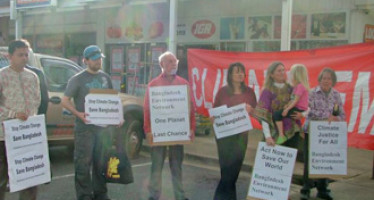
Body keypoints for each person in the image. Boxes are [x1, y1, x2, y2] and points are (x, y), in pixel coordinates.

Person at [61, 45, 113, 200]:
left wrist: (118, 117)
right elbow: (65, 101)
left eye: (99, 59)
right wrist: (78, 114)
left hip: (103, 129)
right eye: (95, 59)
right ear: (86, 60)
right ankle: (84, 195)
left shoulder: (105, 78)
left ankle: (101, 193)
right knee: (83, 164)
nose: (98, 62)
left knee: (101, 162)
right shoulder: (77, 79)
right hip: (84, 129)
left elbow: (112, 100)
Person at [143, 51, 195, 200]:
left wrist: (191, 128)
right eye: (169, 62)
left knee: (177, 166)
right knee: (156, 166)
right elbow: (147, 109)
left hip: (178, 132)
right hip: (159, 133)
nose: (173, 64)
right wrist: (148, 131)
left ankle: (180, 196)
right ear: (161, 65)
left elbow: (191, 108)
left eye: (175, 62)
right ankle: (154, 195)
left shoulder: (184, 84)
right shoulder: (153, 85)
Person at [0, 39, 41, 200]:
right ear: (9, 56)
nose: (24, 58)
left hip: (28, 135)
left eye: (26, 55)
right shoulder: (2, 76)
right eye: (20, 55)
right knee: (2, 177)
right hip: (4, 136)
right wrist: (13, 114)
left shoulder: (32, 77)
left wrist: (32, 120)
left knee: (30, 177)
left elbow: (37, 101)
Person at [212, 62, 257, 200]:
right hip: (224, 137)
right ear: (230, 75)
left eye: (242, 71)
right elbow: (215, 112)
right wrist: (213, 118)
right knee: (226, 171)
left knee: (234, 170)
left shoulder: (249, 92)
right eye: (237, 72)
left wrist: (252, 111)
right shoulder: (223, 91)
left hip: (241, 137)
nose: (240, 74)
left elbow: (257, 113)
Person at [300, 68, 346, 200]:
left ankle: (322, 189)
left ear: (333, 81)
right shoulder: (312, 93)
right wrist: (327, 117)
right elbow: (308, 111)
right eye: (324, 78)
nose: (326, 81)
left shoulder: (336, 95)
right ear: (320, 80)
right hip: (312, 131)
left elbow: (342, 114)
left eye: (329, 78)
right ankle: (306, 188)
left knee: (325, 160)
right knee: (310, 161)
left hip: (328, 133)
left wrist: (336, 118)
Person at [255, 61, 302, 147]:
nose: (282, 73)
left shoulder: (291, 88)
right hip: (274, 132)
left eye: (283, 70)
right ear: (271, 74)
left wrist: (301, 114)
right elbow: (264, 116)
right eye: (279, 71)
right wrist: (268, 136)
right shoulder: (267, 91)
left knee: (290, 158)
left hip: (292, 130)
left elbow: (302, 105)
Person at [273, 64, 309, 144]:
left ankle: (281, 135)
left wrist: (287, 109)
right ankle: (283, 134)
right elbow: (292, 99)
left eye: (292, 73)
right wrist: (287, 105)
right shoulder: (296, 86)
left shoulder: (300, 86)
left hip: (298, 108)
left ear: (296, 75)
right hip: (295, 107)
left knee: (276, 115)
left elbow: (296, 100)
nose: (290, 75)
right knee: (278, 114)